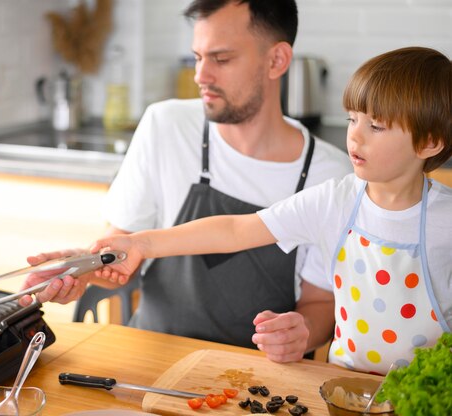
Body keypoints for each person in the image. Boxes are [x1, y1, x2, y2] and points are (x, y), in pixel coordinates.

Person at [20, 0, 352, 362]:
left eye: (221, 60)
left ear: (277, 60)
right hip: (151, 360)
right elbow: (123, 256)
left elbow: (321, 303)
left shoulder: (329, 175)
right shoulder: (165, 126)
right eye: (198, 57)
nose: (201, 76)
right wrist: (82, 269)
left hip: (256, 380)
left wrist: (301, 333)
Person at [91, 46, 452, 375]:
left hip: (431, 393)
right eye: (352, 120)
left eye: (376, 126)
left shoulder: (445, 220)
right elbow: (235, 230)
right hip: (347, 390)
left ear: (428, 142)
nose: (355, 137)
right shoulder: (334, 201)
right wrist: (142, 244)